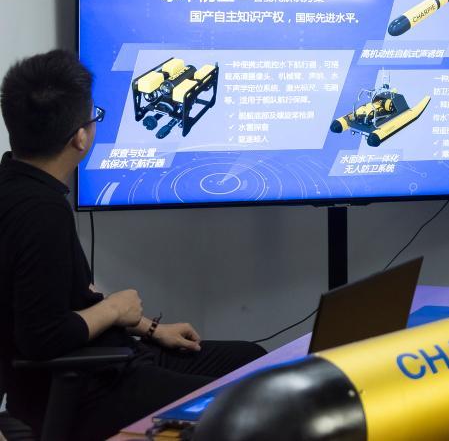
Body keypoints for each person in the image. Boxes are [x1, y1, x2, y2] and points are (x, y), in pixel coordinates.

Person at [0, 49, 265, 440]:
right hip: (87, 388)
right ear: (80, 137)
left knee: (253, 361)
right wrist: (114, 307)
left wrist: (149, 328)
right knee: (249, 399)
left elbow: (60, 299)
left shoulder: (16, 185)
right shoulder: (40, 212)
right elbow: (42, 336)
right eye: (94, 117)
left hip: (107, 358)